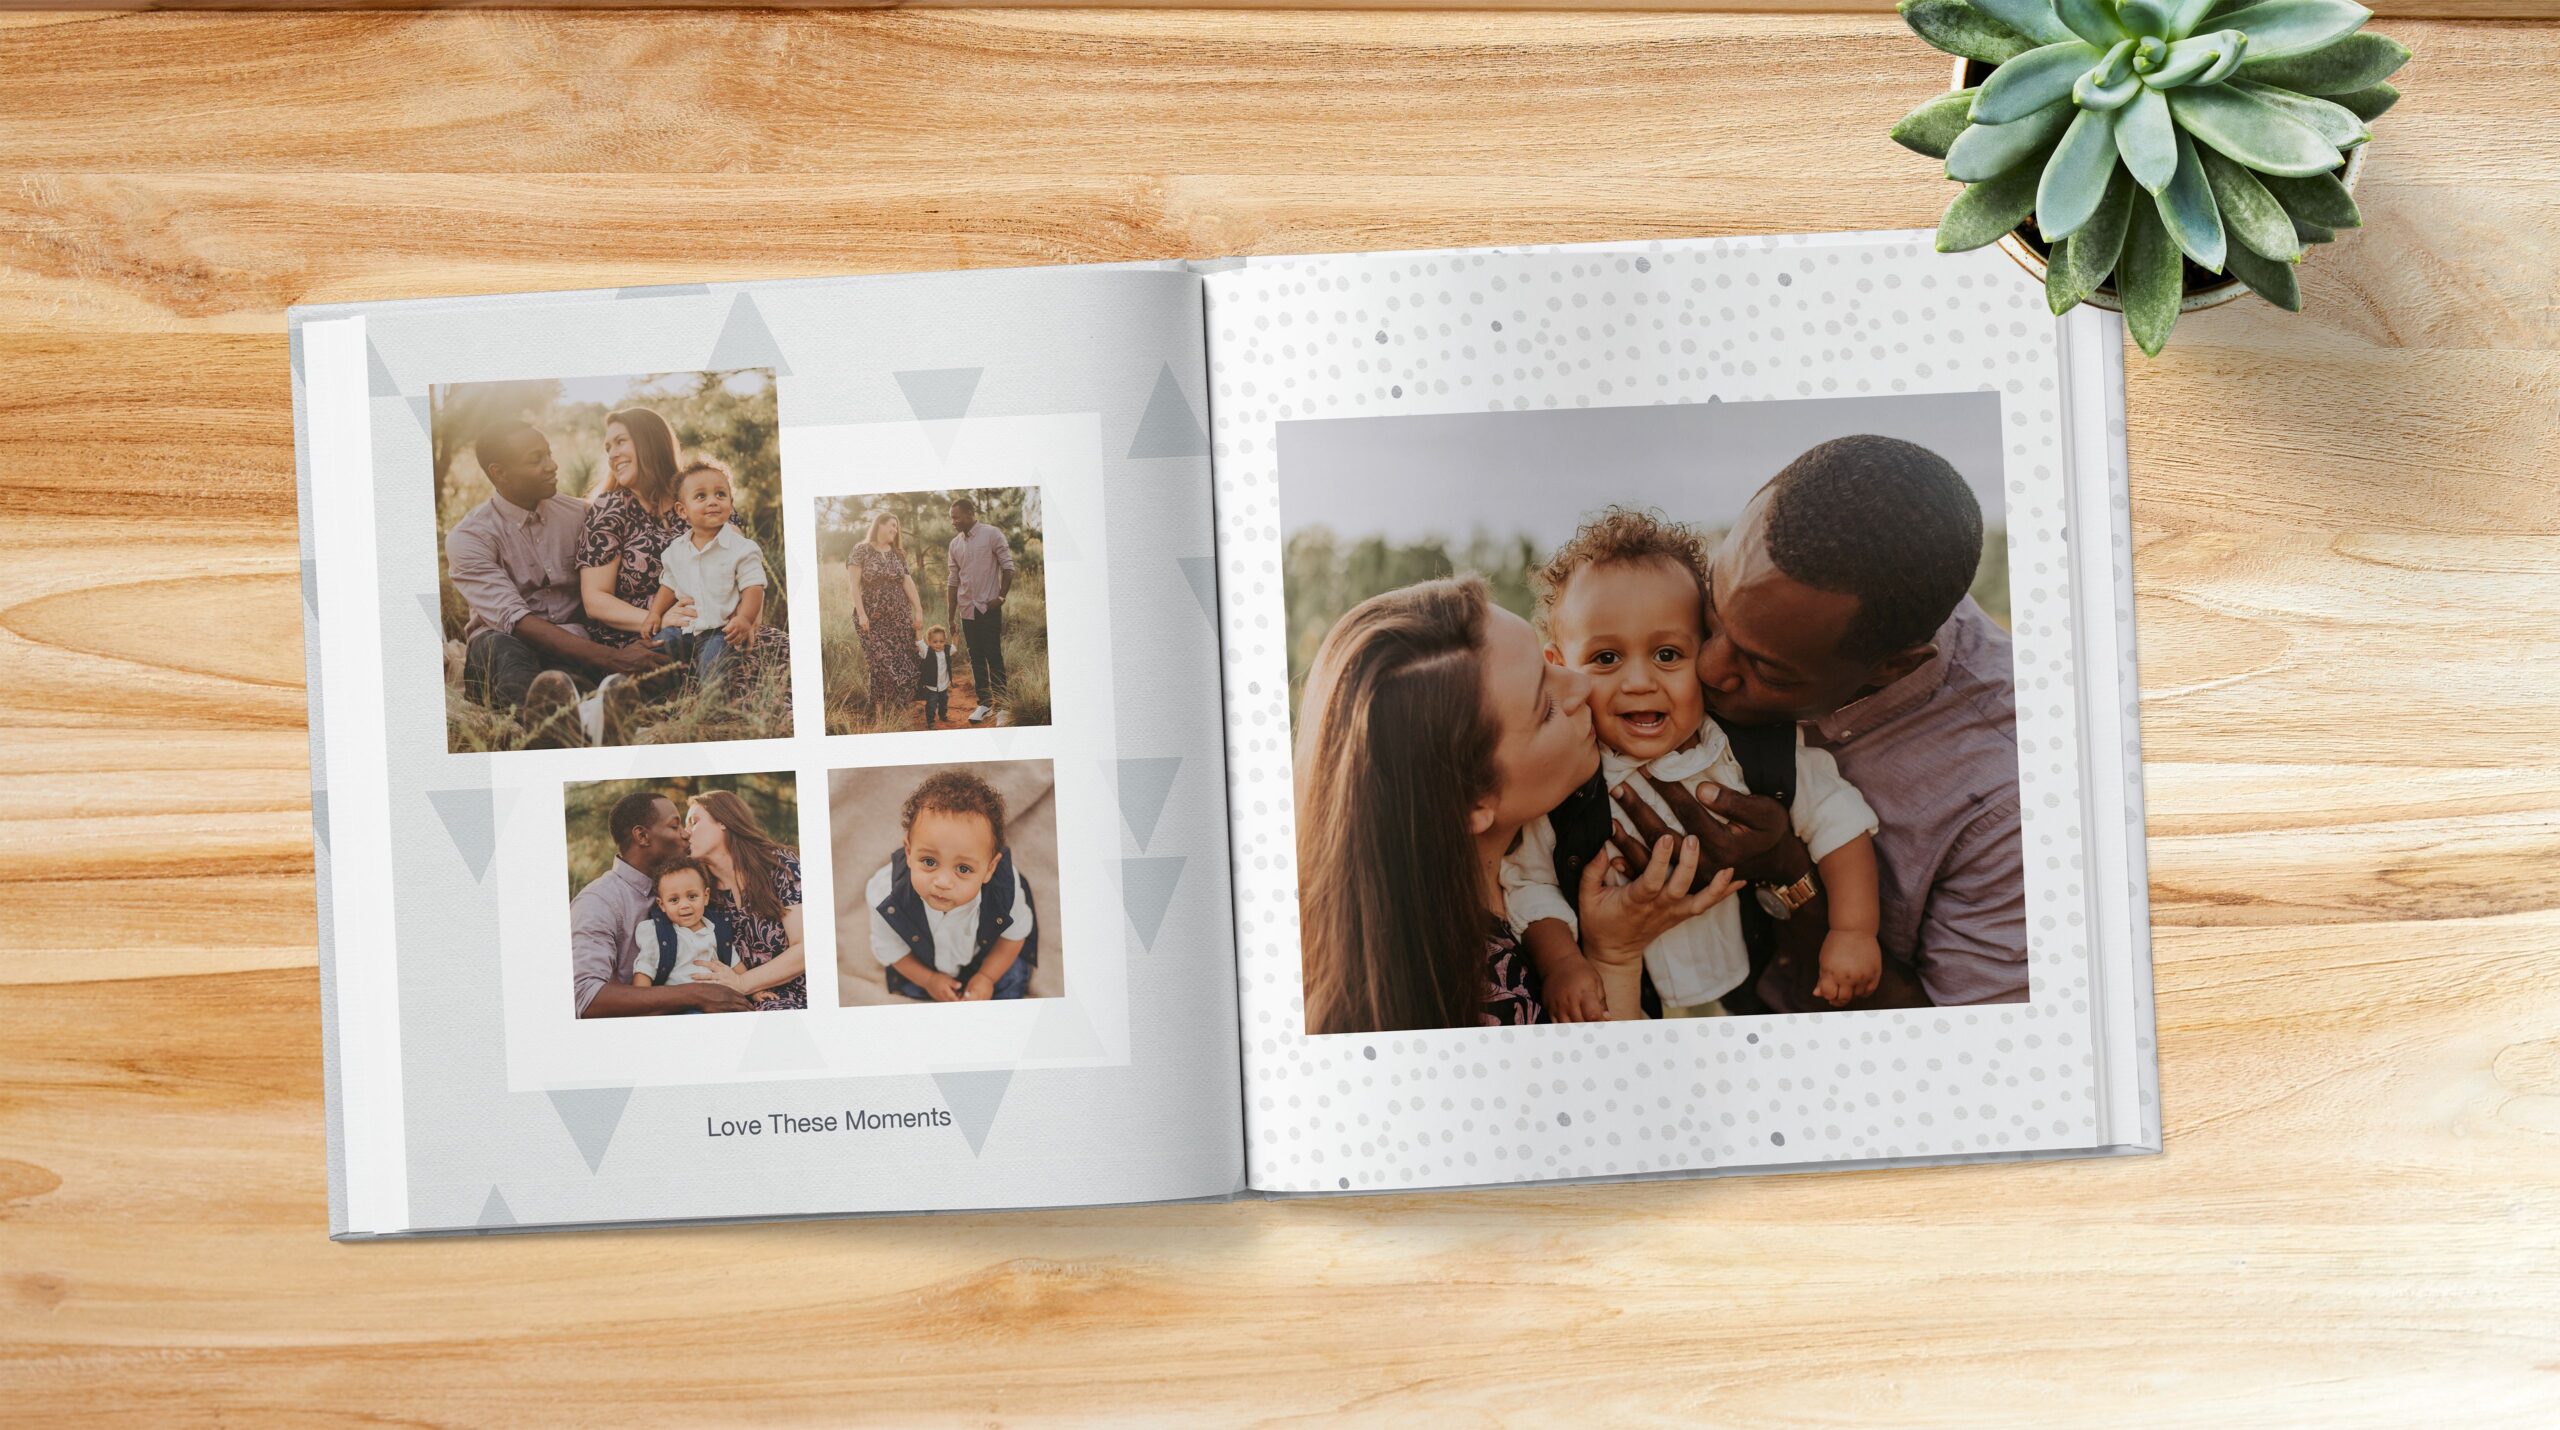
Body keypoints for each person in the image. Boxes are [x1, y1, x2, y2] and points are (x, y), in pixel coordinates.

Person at [1645, 433, 2026, 1009]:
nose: (1707, 666)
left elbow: (1963, 1050)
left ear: (1889, 668)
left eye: (1767, 670)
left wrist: (1791, 877)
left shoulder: (2010, 798)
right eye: (1714, 612)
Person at [1294, 576, 1731, 1034]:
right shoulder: (1490, 1003)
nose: (1581, 684)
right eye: (1545, 706)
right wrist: (1614, 956)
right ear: (1471, 801)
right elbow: (1610, 1099)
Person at [1500, 509, 1881, 1022]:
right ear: (1560, 667)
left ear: (1707, 652)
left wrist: (1853, 931)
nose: (1639, 682)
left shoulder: (1747, 753)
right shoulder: (1562, 784)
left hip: (1755, 986)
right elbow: (1530, 883)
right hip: (1632, 1001)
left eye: (1667, 654)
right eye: (1606, 659)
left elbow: (1840, 822)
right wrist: (1564, 961)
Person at [443, 421, 662, 746]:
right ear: (499, 472)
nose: (553, 465)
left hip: (574, 648)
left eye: (549, 454)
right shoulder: (470, 537)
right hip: (506, 649)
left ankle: (573, 722)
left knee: (565, 681)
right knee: (497, 647)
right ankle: (568, 727)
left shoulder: (580, 514)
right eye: (536, 459)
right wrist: (612, 658)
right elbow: (516, 623)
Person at [865, 769, 1040, 1002]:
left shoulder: (1004, 890)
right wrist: (928, 980)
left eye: (963, 869)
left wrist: (987, 977)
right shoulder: (884, 895)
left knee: (1012, 977)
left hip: (987, 959)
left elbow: (1014, 936)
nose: (943, 882)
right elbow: (891, 949)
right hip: (924, 966)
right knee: (913, 990)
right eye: (929, 862)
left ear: (990, 868)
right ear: (909, 852)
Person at [572, 791, 750, 1017]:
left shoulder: (692, 884)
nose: (686, 834)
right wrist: (696, 994)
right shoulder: (598, 902)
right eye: (675, 826)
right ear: (642, 836)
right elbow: (586, 998)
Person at [576, 406, 696, 652]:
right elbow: (595, 600)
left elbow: (738, 560)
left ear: (650, 441)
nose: (612, 454)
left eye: (620, 442)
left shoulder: (696, 495)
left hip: (712, 622)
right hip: (641, 639)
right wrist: (658, 619)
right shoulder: (610, 509)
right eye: (608, 448)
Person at [640, 458, 767, 682]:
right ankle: (638, 690)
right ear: (682, 510)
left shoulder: (742, 549)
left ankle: (711, 707)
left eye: (720, 494)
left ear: (731, 502)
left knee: (714, 664)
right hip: (684, 628)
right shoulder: (676, 550)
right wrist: (655, 613)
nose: (712, 502)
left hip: (722, 629)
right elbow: (669, 584)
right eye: (701, 496)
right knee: (656, 650)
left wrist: (745, 619)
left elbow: (753, 587)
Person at [681, 790, 807, 1010]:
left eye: (694, 822)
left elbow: (806, 948)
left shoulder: (780, 866)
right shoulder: (705, 893)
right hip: (743, 1000)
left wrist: (742, 983)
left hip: (800, 995)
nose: (686, 832)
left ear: (723, 821)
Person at [846, 510, 925, 723]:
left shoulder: (898, 553)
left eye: (897, 526)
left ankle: (899, 706)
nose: (895, 530)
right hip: (872, 618)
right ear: (879, 525)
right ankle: (880, 714)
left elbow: (908, 582)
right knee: (878, 661)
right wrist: (862, 614)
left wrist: (918, 610)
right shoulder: (860, 550)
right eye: (891, 525)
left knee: (904, 658)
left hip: (899, 617)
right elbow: (853, 585)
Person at [626, 857, 739, 1001]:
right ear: (662, 905)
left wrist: (753, 992)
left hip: (718, 1000)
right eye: (674, 900)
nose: (684, 905)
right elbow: (644, 972)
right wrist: (643, 1006)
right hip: (680, 1005)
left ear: (705, 897)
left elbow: (736, 966)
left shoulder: (717, 931)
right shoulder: (659, 935)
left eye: (692, 896)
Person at [945, 496, 1014, 723]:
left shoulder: (992, 534)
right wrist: (951, 615)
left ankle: (1003, 706)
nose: (953, 522)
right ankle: (984, 704)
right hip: (967, 610)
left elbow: (1008, 567)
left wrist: (1001, 596)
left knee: (993, 656)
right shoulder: (955, 544)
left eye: (956, 517)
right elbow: (953, 581)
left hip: (988, 607)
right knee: (976, 658)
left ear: (969, 513)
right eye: (951, 518)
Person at [917, 626, 954, 727]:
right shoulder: (926, 652)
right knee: (931, 704)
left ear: (945, 641)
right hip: (932, 686)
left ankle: (943, 715)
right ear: (929, 642)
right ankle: (931, 721)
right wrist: (918, 630)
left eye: (941, 641)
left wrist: (956, 635)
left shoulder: (947, 650)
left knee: (944, 702)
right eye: (935, 641)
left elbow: (955, 647)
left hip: (944, 685)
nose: (938, 644)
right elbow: (920, 642)